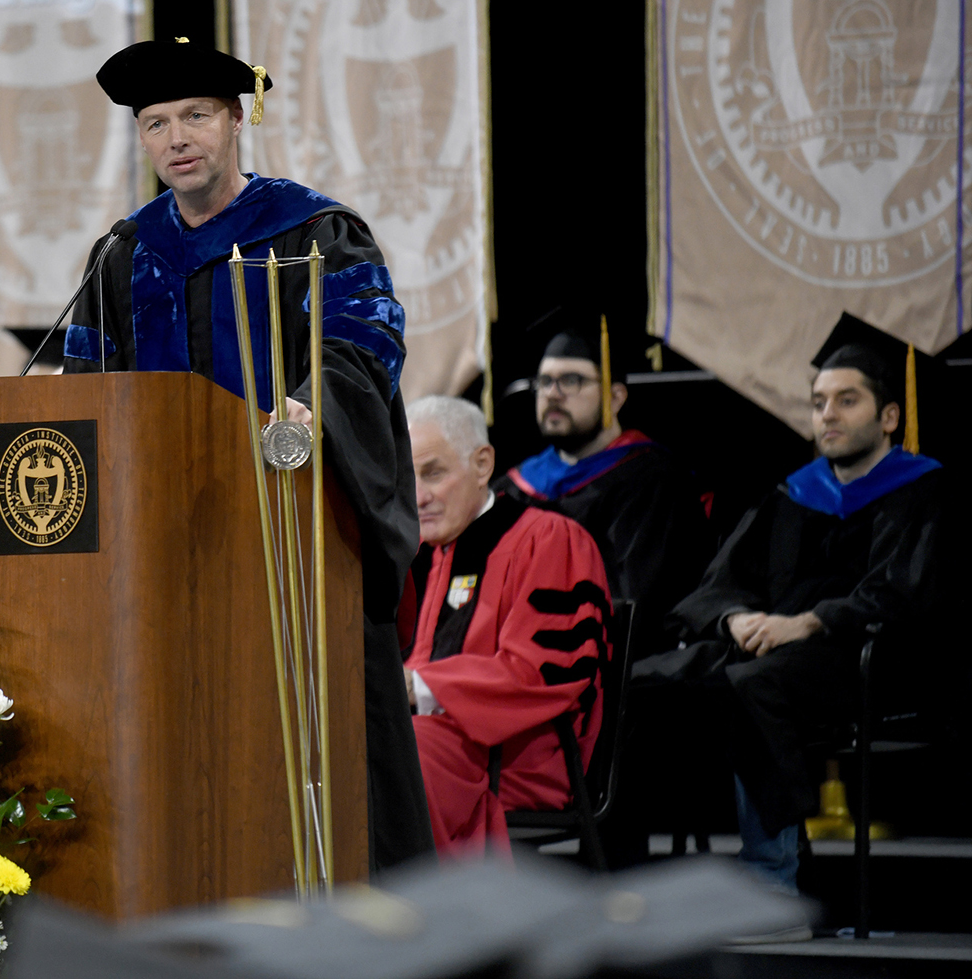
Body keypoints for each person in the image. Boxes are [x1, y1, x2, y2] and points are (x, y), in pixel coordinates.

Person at [65, 38, 431, 868]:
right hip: (168, 546)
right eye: (155, 123)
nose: (175, 137)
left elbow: (360, 345)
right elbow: (89, 388)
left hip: (297, 527)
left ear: (237, 119)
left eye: (195, 115)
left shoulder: (313, 230)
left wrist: (310, 407)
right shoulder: (124, 253)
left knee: (334, 744)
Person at [634, 317, 946, 901]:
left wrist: (808, 622)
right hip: (774, 652)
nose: (827, 414)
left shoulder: (923, 491)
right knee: (645, 680)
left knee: (752, 685)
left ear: (889, 418)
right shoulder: (794, 492)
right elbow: (718, 582)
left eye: (846, 400)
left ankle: (770, 884)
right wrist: (735, 619)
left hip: (872, 661)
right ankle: (628, 871)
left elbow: (904, 594)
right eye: (819, 402)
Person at [401, 396, 610, 855]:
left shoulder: (551, 539)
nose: (417, 496)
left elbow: (538, 672)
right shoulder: (440, 554)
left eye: (433, 473)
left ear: (482, 464)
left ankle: (432, 915)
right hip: (453, 746)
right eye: (407, 477)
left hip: (521, 754)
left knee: (399, 752)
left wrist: (417, 685)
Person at [497, 314, 712, 659]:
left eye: (571, 380)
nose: (553, 394)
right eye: (545, 381)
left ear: (615, 396)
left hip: (606, 664)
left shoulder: (652, 480)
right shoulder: (514, 486)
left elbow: (639, 598)